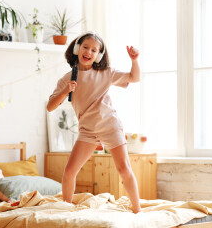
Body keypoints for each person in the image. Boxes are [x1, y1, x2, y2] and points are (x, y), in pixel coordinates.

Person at [46, 31, 141, 213]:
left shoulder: (106, 73)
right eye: (85, 47)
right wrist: (66, 90)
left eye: (94, 50)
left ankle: (138, 210)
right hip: (87, 130)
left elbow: (134, 78)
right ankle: (65, 209)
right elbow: (50, 106)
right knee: (69, 171)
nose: (88, 52)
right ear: (77, 48)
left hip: (109, 125)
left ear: (98, 55)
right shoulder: (67, 79)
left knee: (123, 169)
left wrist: (134, 60)